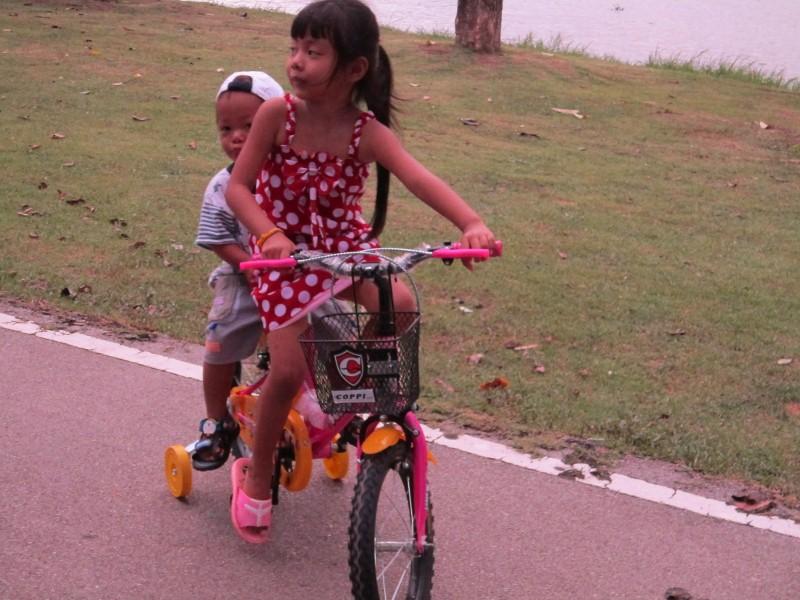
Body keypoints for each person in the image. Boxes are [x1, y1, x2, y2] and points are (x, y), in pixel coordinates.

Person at [226, 0, 496, 543]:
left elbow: (419, 178)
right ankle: (256, 473)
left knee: (401, 303)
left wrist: (471, 223)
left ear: (354, 68)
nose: (296, 61)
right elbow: (238, 187)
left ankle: (344, 392)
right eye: (294, 48)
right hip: (285, 255)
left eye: (313, 52)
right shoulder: (277, 114)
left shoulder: (365, 132)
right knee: (285, 372)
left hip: (345, 246)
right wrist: (269, 233)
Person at [192, 71, 284, 471]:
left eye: (250, 126)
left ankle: (324, 408)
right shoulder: (222, 185)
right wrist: (246, 264)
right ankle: (218, 422)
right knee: (221, 336)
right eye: (226, 129)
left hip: (298, 274)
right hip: (242, 272)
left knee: (331, 328)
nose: (237, 137)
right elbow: (215, 236)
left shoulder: (296, 178)